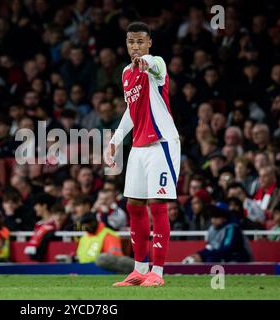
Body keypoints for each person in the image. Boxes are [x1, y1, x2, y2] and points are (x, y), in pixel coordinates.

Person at [105, 22, 180, 287]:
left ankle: (157, 273)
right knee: (133, 205)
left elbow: (156, 65)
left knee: (157, 205)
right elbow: (130, 110)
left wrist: (147, 61)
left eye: (140, 42)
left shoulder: (156, 64)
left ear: (149, 42)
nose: (135, 47)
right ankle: (138, 270)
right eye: (130, 42)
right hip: (138, 146)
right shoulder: (126, 73)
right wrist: (115, 140)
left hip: (162, 143)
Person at [182, 207, 252, 263]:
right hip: (222, 256)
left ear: (224, 219)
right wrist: (199, 254)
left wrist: (204, 256)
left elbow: (227, 248)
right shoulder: (212, 229)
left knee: (211, 259)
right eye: (212, 217)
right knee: (208, 259)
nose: (213, 220)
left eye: (216, 218)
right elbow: (210, 247)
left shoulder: (232, 229)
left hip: (237, 258)